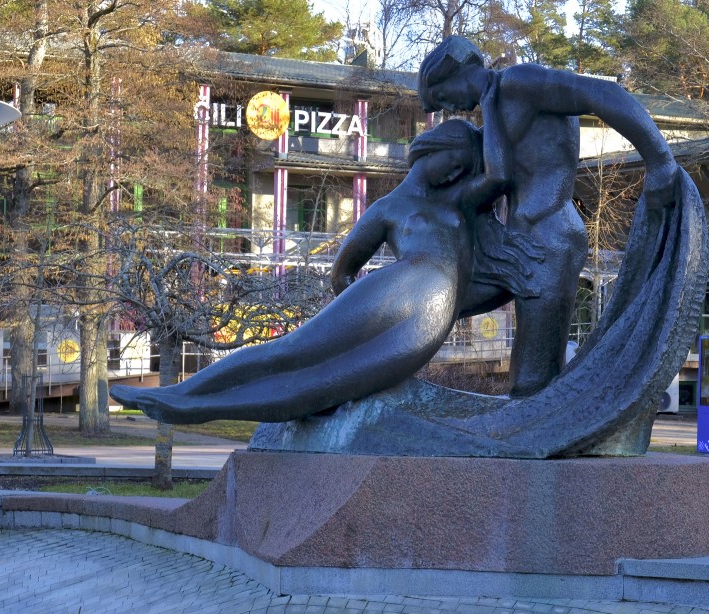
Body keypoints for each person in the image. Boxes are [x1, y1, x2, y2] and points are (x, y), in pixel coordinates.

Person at [110, 101, 508, 424]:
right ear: (432, 151)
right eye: (457, 160)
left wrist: (490, 97)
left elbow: (500, 172)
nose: (459, 172)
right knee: (290, 352)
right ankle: (179, 395)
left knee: (326, 386)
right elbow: (342, 271)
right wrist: (354, 314)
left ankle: (197, 407)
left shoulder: (460, 201)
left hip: (434, 312)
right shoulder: (390, 208)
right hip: (397, 287)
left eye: (466, 168)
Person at [418, 36, 680, 397]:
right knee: (441, 303)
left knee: (533, 380)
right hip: (523, 243)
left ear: (457, 72)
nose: (451, 108)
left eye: (444, 97)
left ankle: (535, 435)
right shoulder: (494, 106)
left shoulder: (517, 83)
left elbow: (603, 93)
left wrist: (659, 158)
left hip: (547, 239)